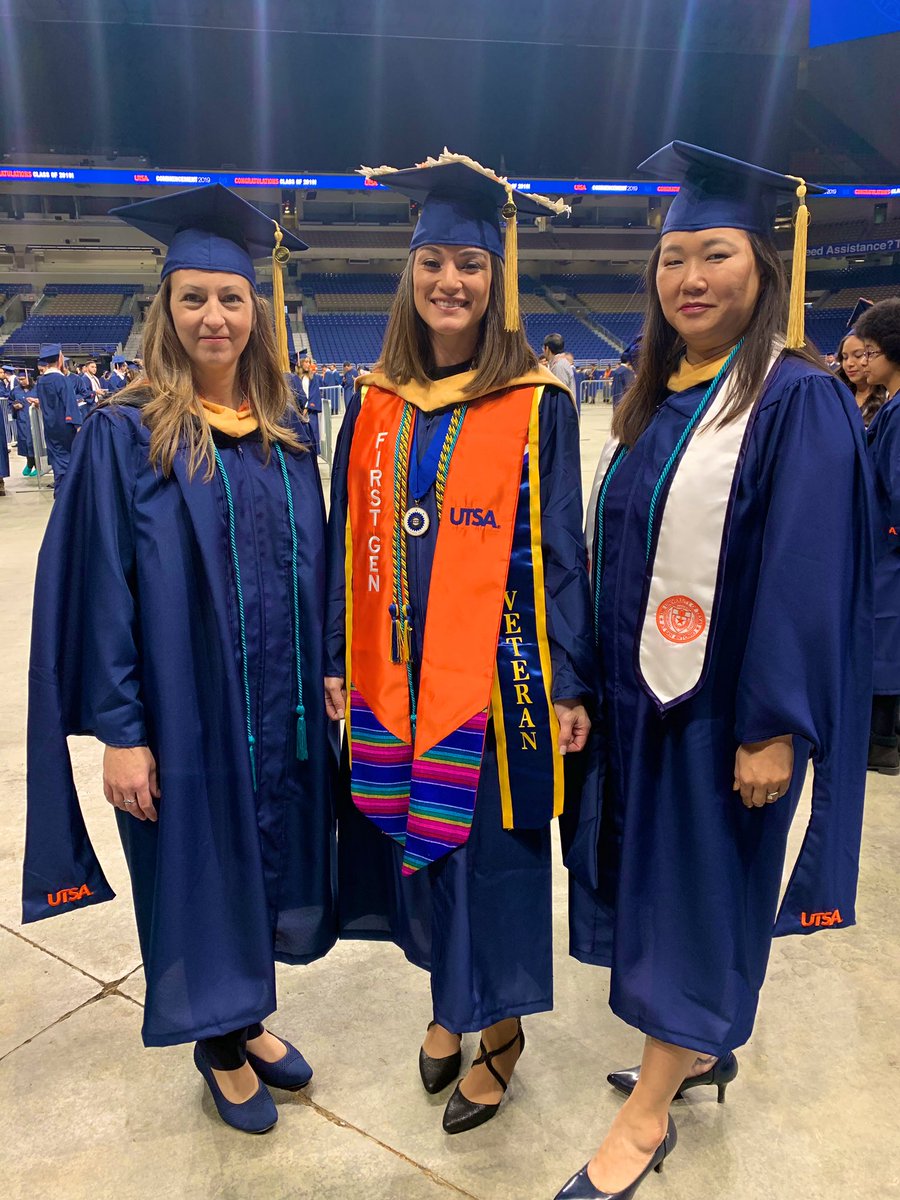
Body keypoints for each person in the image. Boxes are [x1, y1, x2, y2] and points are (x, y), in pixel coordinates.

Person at [558, 142, 873, 1199]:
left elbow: (804, 574)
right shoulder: (663, 396)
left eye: (717, 254)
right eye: (673, 259)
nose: (690, 279)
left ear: (764, 266)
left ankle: (648, 1114)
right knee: (661, 889)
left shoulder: (798, 397)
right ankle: (693, 1049)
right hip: (644, 704)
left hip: (722, 715)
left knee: (695, 896)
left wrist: (773, 723)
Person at [21, 183, 337, 1136]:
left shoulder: (284, 434)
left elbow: (317, 566)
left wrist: (329, 667)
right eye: (193, 297)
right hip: (182, 712)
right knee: (197, 870)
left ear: (256, 312)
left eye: (231, 298)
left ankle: (246, 1015)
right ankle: (217, 1043)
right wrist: (122, 735)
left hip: (277, 704)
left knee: (262, 861)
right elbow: (100, 596)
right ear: (166, 309)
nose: (214, 317)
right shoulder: (125, 434)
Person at [325, 151, 594, 1136]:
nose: (451, 281)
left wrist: (568, 679)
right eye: (433, 262)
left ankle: (503, 1029)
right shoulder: (374, 402)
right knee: (420, 849)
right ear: (410, 274)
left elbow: (560, 549)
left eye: (471, 265)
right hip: (395, 676)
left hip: (501, 679)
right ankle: (448, 1001)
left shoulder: (537, 402)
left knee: (497, 859)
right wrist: (336, 660)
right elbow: (346, 537)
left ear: (496, 278)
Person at [854, 297, 900, 775]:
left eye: (870, 352)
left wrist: (888, 533)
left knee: (885, 640)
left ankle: (883, 742)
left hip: (889, 546)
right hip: (885, 540)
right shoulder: (890, 406)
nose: (864, 362)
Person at [34, 344, 83, 493]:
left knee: (56, 457)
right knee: (69, 458)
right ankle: (67, 492)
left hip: (49, 425)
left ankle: (59, 489)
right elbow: (70, 403)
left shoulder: (41, 381)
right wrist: (78, 424)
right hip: (65, 426)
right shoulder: (62, 380)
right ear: (59, 359)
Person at [837, 300, 888, 427]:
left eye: (858, 355)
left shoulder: (890, 399)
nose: (849, 363)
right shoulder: (836, 395)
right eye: (844, 357)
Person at [8, 368, 36, 476]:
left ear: (29, 378)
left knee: (35, 443)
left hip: (35, 421)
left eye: (23, 379)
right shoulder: (15, 390)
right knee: (25, 443)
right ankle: (29, 464)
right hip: (22, 421)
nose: (21, 381)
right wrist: (15, 406)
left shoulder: (37, 389)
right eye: (19, 379)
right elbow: (10, 402)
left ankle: (38, 466)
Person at [544, 332, 578, 409]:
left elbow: (560, 396)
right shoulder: (560, 363)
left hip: (562, 411)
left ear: (547, 349)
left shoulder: (559, 366)